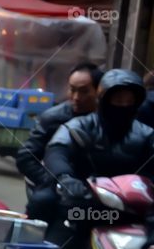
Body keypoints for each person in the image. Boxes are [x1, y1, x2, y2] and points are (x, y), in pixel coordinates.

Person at [44, 69, 153, 249]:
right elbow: (57, 150)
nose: (122, 105)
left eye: (128, 100)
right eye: (117, 99)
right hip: (83, 208)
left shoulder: (147, 135)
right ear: (104, 99)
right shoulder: (80, 126)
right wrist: (67, 179)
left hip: (129, 215)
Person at [16, 63, 103, 219]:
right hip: (57, 186)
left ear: (98, 91)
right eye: (72, 90)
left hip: (98, 188)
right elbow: (26, 157)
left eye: (84, 91)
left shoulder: (107, 120)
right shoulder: (52, 118)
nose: (76, 97)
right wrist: (54, 181)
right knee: (42, 202)